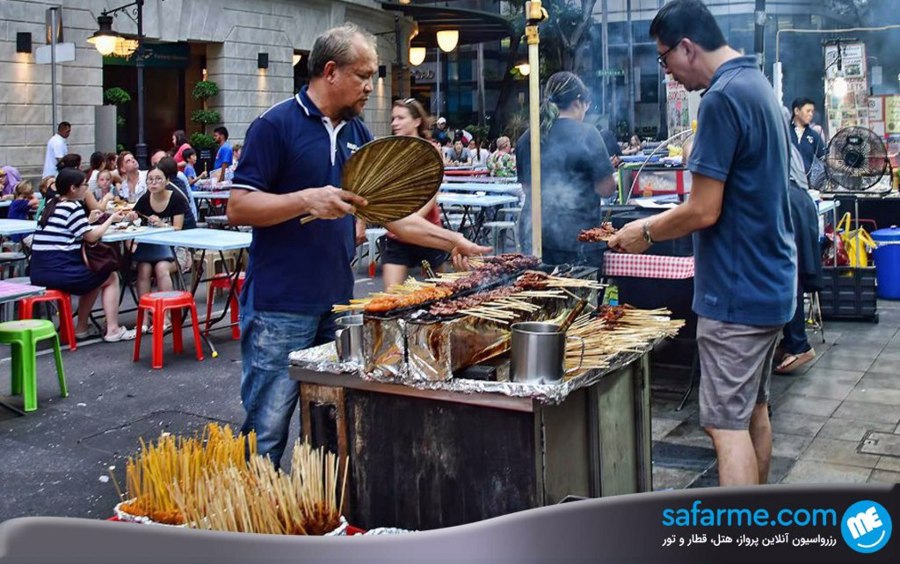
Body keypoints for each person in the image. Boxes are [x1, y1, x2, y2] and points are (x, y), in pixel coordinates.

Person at [226, 23, 490, 468]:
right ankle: (250, 526)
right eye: (364, 75)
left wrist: (453, 239)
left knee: (332, 428)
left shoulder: (358, 134)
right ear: (330, 71)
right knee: (268, 428)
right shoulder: (274, 126)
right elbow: (239, 206)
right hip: (279, 306)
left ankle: (320, 515)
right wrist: (306, 199)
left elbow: (393, 218)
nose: (371, 86)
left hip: (337, 304)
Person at [608, 0, 796, 486]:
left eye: (664, 57)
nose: (666, 70)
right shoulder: (758, 87)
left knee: (724, 426)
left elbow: (702, 209)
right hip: (771, 283)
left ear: (687, 47)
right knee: (754, 412)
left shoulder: (721, 98)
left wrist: (643, 232)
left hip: (736, 296)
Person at [516, 71, 616, 265]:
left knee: (536, 290)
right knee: (580, 294)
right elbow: (606, 189)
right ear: (578, 102)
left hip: (534, 235)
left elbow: (528, 189)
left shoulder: (528, 137)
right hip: (576, 238)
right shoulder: (588, 134)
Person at [29, 168, 137, 343]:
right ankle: (113, 329)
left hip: (39, 272)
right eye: (84, 185)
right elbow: (91, 237)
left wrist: (89, 221)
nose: (86, 189)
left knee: (95, 273)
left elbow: (70, 229)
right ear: (73, 188)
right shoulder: (72, 207)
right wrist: (111, 219)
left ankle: (82, 327)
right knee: (110, 276)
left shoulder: (50, 205)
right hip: (61, 272)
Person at [381, 98, 448, 289]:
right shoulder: (389, 150)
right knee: (391, 297)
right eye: (393, 118)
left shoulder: (431, 150)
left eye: (401, 118)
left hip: (427, 230)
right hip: (397, 236)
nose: (394, 123)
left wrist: (412, 220)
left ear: (417, 121)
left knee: (440, 295)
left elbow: (432, 192)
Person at [775, 107, 823, 375]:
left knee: (787, 276)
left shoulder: (773, 143)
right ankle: (791, 341)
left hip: (790, 204)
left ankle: (798, 345)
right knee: (792, 275)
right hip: (800, 204)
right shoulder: (787, 143)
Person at [132, 165, 190, 332]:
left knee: (161, 268)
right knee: (143, 269)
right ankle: (144, 317)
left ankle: (165, 316)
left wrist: (162, 224)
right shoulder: (144, 199)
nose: (154, 183)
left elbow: (178, 230)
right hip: (151, 249)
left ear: (167, 181)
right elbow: (134, 217)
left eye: (158, 179)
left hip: (175, 249)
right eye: (150, 179)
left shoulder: (177, 199)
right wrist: (131, 216)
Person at [790, 97, 827, 178]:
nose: (811, 114)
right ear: (796, 111)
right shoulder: (784, 132)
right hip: (786, 182)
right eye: (808, 111)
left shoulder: (814, 135)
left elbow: (825, 158)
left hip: (805, 182)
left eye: (812, 112)